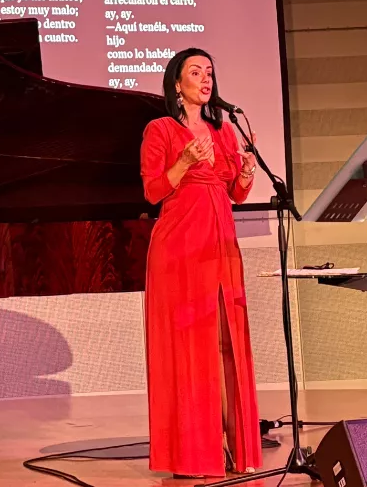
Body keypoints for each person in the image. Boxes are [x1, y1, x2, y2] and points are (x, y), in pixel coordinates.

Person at [138, 48, 262, 478]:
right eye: (196, 72)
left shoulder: (223, 129)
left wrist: (245, 172)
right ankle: (192, 453)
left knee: (226, 341)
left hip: (221, 242)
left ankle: (229, 445)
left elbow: (236, 193)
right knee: (191, 348)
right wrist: (184, 162)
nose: (205, 79)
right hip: (180, 247)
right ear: (177, 82)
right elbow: (153, 191)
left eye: (210, 71)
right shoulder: (160, 129)